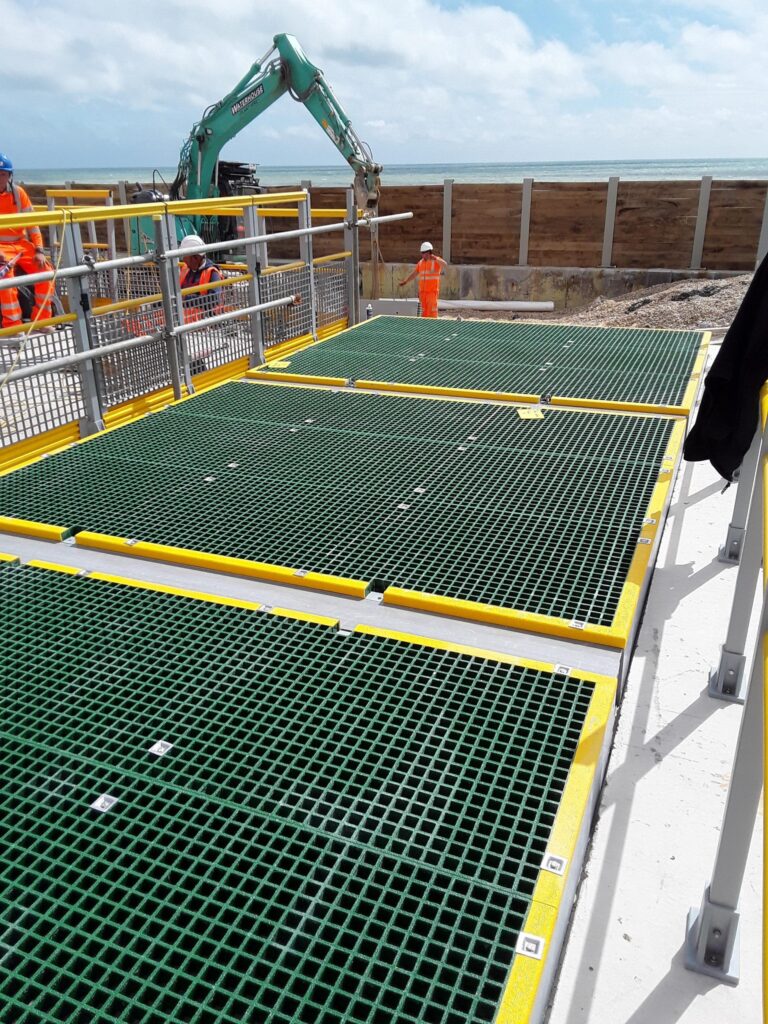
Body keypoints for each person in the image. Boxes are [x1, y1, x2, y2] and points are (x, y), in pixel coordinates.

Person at [0, 153, 55, 332]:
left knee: (47, 272)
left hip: (21, 245)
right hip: (1, 248)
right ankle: (13, 328)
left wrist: (39, 249)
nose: (0, 177)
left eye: (3, 173)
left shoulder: (18, 193)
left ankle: (41, 321)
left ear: (9, 176)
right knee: (5, 276)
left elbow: (33, 224)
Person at [178, 233, 222, 321]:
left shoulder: (212, 273)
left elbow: (213, 299)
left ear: (196, 257)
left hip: (204, 320)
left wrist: (185, 299)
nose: (184, 261)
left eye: (186, 258)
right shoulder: (186, 269)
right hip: (185, 316)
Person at [398, 241, 447, 318]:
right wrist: (405, 281)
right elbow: (414, 273)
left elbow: (445, 264)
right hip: (422, 293)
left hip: (431, 293)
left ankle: (433, 327)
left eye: (424, 253)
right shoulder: (420, 263)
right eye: (422, 253)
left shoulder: (436, 261)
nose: (423, 255)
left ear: (429, 252)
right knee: (423, 313)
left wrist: (436, 258)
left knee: (432, 313)